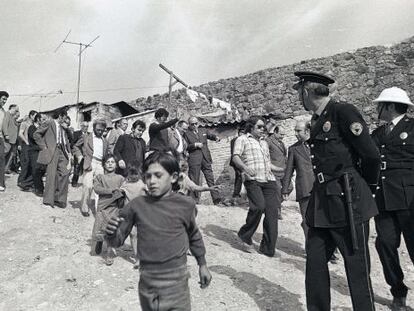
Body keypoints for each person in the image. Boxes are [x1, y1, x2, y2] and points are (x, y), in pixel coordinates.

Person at [293, 71, 380, 311]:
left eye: (299, 91)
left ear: (307, 91)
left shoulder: (343, 112)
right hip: (322, 200)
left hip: (347, 199)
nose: (299, 97)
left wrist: (367, 189)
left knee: (357, 267)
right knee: (315, 262)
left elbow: (371, 155)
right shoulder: (317, 120)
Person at [105, 152, 212, 310]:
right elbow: (118, 240)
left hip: (178, 283)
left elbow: (194, 235)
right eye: (148, 176)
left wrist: (202, 264)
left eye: (158, 175)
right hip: (149, 284)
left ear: (174, 177)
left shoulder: (186, 204)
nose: (152, 181)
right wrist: (111, 233)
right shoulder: (136, 206)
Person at [371, 87, 414, 311]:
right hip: (384, 200)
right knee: (384, 244)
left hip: (410, 200)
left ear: (389, 106)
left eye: (380, 105)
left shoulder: (413, 127)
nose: (377, 109)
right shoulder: (377, 134)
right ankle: (398, 291)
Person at [232, 116, 284, 257]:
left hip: (269, 180)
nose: (263, 129)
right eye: (260, 127)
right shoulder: (242, 139)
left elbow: (268, 164)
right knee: (258, 207)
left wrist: (282, 169)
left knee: (272, 214)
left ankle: (267, 248)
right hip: (253, 180)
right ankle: (245, 234)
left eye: (264, 127)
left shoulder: (264, 143)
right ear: (251, 127)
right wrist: (244, 168)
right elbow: (235, 157)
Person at [281, 120, 314, 245]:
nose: (295, 133)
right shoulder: (294, 149)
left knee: (325, 218)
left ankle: (330, 250)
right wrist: (284, 189)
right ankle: (310, 247)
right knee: (306, 220)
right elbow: (288, 170)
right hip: (305, 188)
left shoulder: (318, 145)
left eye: (298, 130)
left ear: (307, 131)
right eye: (295, 130)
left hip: (321, 188)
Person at [91, 153, 125, 266]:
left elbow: (123, 189)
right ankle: (99, 241)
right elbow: (97, 189)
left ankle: (109, 254)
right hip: (102, 207)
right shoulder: (99, 177)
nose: (110, 164)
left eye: (112, 162)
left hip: (115, 207)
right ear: (104, 165)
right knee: (100, 228)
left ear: (116, 165)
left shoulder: (120, 178)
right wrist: (111, 190)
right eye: (107, 162)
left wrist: (120, 193)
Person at [33, 109, 72, 208]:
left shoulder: (63, 127)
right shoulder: (49, 123)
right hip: (52, 151)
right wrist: (44, 147)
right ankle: (48, 200)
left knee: (65, 172)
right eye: (64, 117)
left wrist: (66, 129)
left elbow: (69, 139)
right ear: (60, 116)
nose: (65, 120)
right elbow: (36, 134)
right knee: (51, 175)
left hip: (62, 151)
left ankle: (59, 198)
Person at [74, 119, 108, 217]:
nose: (100, 132)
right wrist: (80, 156)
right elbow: (76, 147)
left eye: (102, 130)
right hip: (90, 162)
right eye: (98, 130)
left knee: (100, 188)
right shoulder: (86, 137)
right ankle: (85, 208)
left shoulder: (104, 141)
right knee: (88, 186)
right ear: (93, 128)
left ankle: (98, 210)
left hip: (100, 164)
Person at [184, 116, 221, 205]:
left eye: (196, 123)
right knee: (194, 180)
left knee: (210, 179)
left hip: (206, 158)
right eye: (192, 124)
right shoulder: (186, 133)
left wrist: (216, 137)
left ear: (198, 123)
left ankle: (217, 200)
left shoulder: (203, 130)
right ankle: (194, 201)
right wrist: (194, 145)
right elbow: (185, 147)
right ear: (189, 125)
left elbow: (210, 135)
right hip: (194, 160)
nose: (195, 126)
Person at [266, 119, 288, 220]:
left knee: (289, 188)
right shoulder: (269, 141)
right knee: (278, 191)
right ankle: (277, 211)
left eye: (284, 135)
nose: (282, 136)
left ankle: (273, 205)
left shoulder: (281, 143)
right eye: (281, 134)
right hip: (274, 171)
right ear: (275, 132)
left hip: (283, 171)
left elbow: (284, 156)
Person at [17, 110, 37, 191]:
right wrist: (26, 141)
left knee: (29, 164)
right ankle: (21, 181)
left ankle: (26, 182)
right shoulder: (24, 123)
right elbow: (20, 134)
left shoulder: (32, 125)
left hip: (30, 146)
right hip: (26, 145)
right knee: (25, 163)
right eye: (35, 116)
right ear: (31, 116)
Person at [27, 113, 46, 197]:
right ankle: (38, 189)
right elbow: (34, 138)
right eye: (43, 119)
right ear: (38, 119)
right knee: (36, 169)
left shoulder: (41, 129)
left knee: (41, 170)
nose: (44, 121)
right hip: (34, 151)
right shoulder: (32, 128)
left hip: (41, 151)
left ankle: (38, 187)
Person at [71, 121, 89, 187]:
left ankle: (85, 182)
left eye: (87, 126)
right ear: (81, 126)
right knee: (77, 167)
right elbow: (73, 144)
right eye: (84, 126)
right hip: (78, 154)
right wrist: (74, 153)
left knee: (85, 168)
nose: (85, 128)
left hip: (86, 155)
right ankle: (74, 182)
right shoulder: (76, 133)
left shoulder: (89, 134)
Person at [2, 104, 19, 174]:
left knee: (10, 155)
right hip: (8, 139)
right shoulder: (7, 114)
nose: (16, 112)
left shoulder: (12, 116)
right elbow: (5, 124)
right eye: (16, 110)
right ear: (12, 108)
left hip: (12, 140)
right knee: (4, 153)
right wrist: (6, 134)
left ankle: (5, 169)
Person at [230, 126, 245, 202]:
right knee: (239, 176)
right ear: (239, 133)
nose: (242, 134)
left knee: (239, 177)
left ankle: (238, 193)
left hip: (242, 162)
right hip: (236, 162)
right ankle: (236, 193)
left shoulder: (244, 140)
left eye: (243, 132)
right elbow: (235, 153)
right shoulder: (234, 140)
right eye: (241, 132)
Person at [0, 91, 9, 191]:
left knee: (2, 159)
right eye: (3, 99)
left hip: (0, 138)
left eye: (6, 100)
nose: (5, 101)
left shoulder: (3, 112)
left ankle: (1, 183)